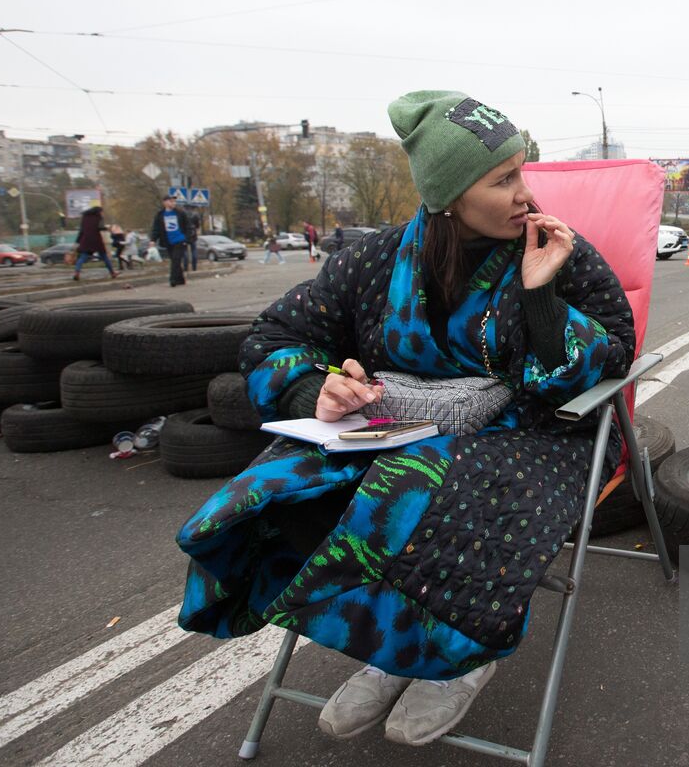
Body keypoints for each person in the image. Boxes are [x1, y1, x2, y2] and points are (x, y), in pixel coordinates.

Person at [175, 91, 635, 746]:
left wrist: (540, 296)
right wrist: (314, 390)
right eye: (503, 179)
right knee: (268, 492)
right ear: (447, 195)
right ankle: (392, 649)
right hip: (397, 423)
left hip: (541, 429)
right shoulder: (373, 260)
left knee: (411, 488)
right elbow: (277, 333)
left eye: (521, 172)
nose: (524, 194)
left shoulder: (559, 249)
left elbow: (613, 353)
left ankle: (456, 658)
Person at [151, 194, 194, 287]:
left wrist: (187, 238)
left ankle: (173, 280)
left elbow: (188, 226)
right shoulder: (160, 215)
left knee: (176, 259)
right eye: (170, 201)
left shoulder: (180, 213)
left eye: (174, 201)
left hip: (180, 239)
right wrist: (153, 240)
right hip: (168, 241)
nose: (173, 203)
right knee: (175, 260)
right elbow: (156, 228)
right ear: (165, 202)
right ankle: (181, 279)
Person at [73, 205, 117, 280]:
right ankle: (112, 273)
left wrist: (77, 241)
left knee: (82, 257)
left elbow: (81, 231)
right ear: (99, 212)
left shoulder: (84, 217)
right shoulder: (99, 217)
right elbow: (100, 227)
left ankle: (77, 272)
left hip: (86, 240)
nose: (103, 213)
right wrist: (108, 228)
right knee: (104, 256)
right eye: (102, 212)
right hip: (96, 240)